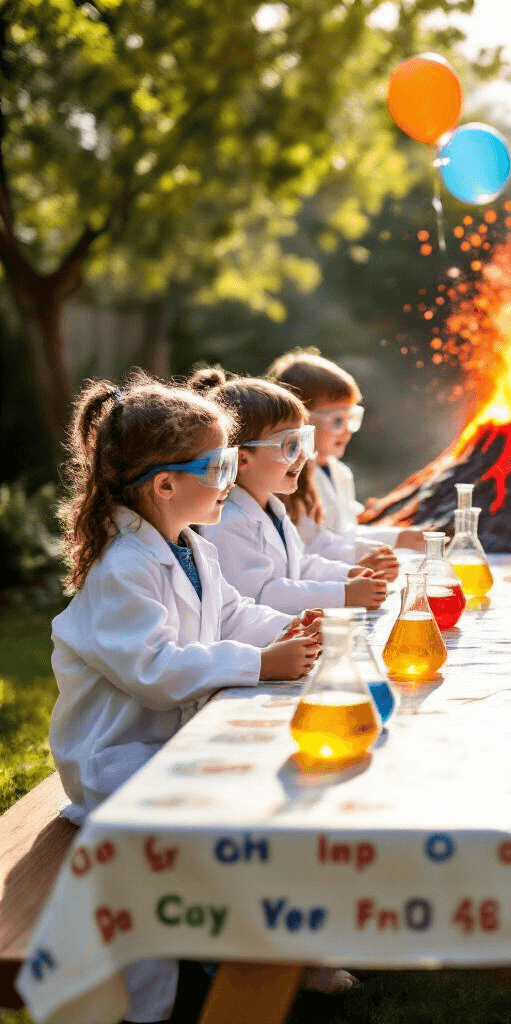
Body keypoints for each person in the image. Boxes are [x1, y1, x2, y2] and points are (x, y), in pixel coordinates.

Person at [49, 374, 321, 1023]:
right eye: (219, 465)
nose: (229, 477)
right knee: (193, 837)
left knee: (286, 784)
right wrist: (261, 663)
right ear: (165, 484)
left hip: (173, 743)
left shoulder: (191, 547)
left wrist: (287, 633)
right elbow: (155, 669)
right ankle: (146, 1005)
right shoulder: (124, 570)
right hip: (119, 764)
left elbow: (230, 615)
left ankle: (255, 946)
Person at [194, 369, 388, 613]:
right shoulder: (228, 522)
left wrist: (348, 574)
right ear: (242, 460)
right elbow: (260, 594)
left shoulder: (272, 507)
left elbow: (300, 565)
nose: (305, 456)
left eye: (304, 441)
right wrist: (343, 594)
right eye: (290, 445)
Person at [266, 348, 428, 572]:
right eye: (337, 421)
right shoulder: (290, 482)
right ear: (301, 421)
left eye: (352, 418)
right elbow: (312, 546)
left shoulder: (340, 472)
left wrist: (401, 537)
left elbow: (345, 533)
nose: (348, 431)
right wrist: (369, 553)